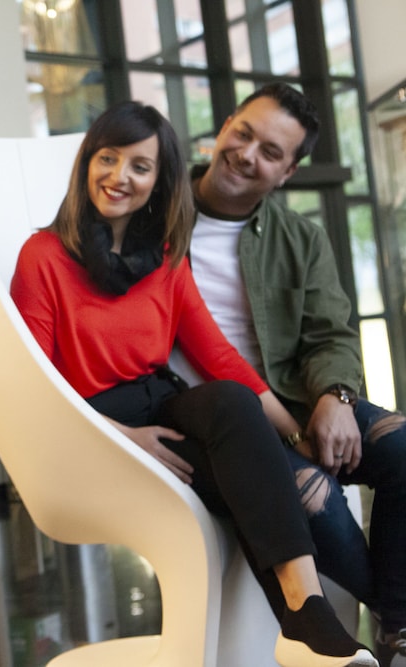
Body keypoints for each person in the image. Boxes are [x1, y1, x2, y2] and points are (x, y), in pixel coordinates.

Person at [9, 101, 377, 667]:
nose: (119, 176)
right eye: (108, 158)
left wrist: (295, 433)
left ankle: (308, 613)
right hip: (94, 419)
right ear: (87, 162)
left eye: (140, 166)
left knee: (233, 403)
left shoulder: (164, 255)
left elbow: (219, 356)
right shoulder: (44, 256)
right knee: (261, 480)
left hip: (159, 398)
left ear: (159, 181)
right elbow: (33, 384)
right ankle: (325, 619)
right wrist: (122, 439)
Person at [185, 82, 406, 666]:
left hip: (294, 396)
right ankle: (398, 618)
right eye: (243, 134)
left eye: (270, 152)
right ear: (224, 126)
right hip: (216, 419)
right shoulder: (159, 216)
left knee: (403, 447)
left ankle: (397, 629)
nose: (246, 154)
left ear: (287, 172)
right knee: (316, 497)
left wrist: (336, 396)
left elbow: (329, 333)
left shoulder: (300, 238)